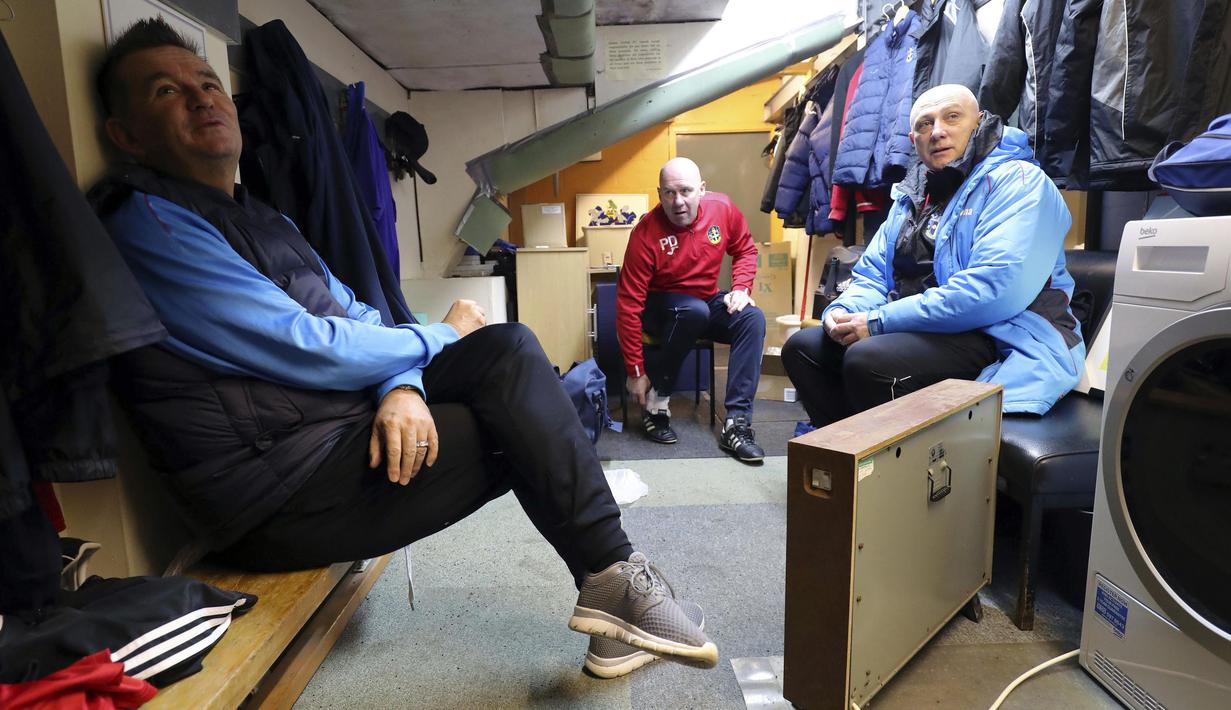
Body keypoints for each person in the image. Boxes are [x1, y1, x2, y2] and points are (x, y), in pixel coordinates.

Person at [89, 18, 716, 677]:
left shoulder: (260, 216)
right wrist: (442, 336)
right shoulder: (145, 224)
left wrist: (402, 385)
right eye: (166, 90)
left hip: (326, 436)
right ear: (125, 136)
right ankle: (614, 591)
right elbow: (309, 345)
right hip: (273, 496)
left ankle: (611, 588)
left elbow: (355, 313)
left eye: (208, 82)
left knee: (510, 361)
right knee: (527, 415)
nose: (200, 98)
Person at [782, 85, 1084, 426]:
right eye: (925, 125)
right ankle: (848, 460)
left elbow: (994, 291)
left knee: (867, 359)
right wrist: (843, 312)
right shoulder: (911, 197)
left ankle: (889, 470)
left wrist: (879, 321)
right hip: (925, 328)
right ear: (914, 139)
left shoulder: (1020, 182)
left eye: (952, 117)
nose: (937, 131)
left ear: (979, 122)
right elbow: (873, 275)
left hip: (1000, 333)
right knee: (804, 348)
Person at [616, 158, 767, 463]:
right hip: (660, 307)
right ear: (659, 194)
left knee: (751, 318)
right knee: (694, 311)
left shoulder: (722, 209)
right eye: (669, 193)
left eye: (685, 191)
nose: (678, 202)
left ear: (702, 189)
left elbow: (745, 249)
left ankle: (736, 424)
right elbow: (629, 305)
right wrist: (635, 372)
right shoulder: (645, 233)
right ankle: (657, 404)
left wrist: (741, 288)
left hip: (704, 300)